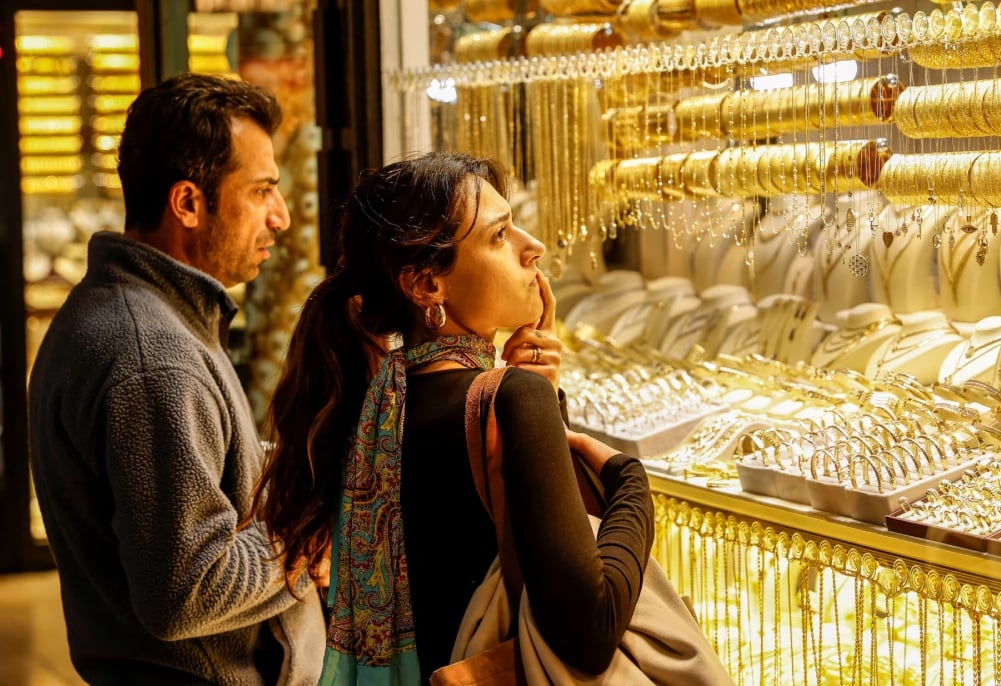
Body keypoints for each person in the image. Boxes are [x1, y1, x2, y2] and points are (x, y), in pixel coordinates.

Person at [251, 151, 655, 684]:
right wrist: (632, 483)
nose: (531, 248)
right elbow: (590, 634)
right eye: (499, 236)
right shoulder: (510, 401)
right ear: (425, 286)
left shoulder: (374, 404)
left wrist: (541, 396)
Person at [28, 73, 325, 685]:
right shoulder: (150, 355)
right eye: (263, 189)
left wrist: (314, 467)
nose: (282, 217)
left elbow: (211, 473)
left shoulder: (143, 313)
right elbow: (187, 588)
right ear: (188, 203)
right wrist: (305, 544)